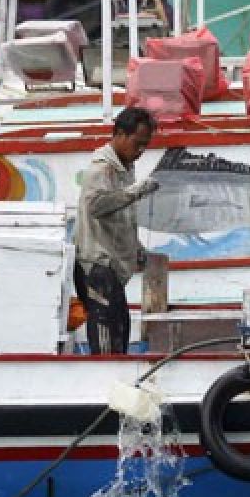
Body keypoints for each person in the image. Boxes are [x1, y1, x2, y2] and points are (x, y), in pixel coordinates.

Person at [73, 107, 160, 354]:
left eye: (146, 145)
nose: (141, 151)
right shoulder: (101, 169)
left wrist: (137, 248)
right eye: (137, 143)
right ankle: (101, 382)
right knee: (104, 335)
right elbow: (96, 206)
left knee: (120, 328)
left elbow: (122, 217)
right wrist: (137, 191)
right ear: (120, 134)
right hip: (97, 266)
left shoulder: (125, 169)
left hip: (113, 268)